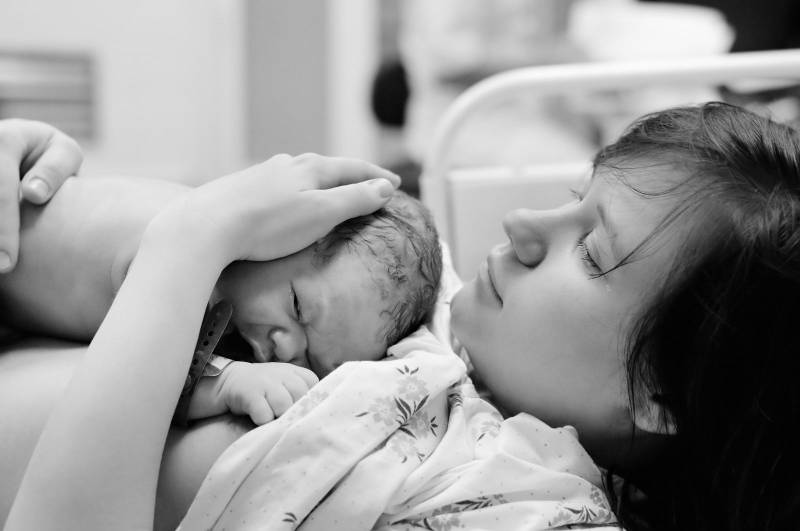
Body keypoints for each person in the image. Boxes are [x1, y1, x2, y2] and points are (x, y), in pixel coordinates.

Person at [2, 101, 799, 531]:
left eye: (591, 251)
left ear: (662, 392)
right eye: (570, 197)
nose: (522, 224)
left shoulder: (524, 509)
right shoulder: (436, 294)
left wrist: (189, 241)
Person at [0, 170, 441, 426]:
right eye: (298, 308)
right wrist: (227, 381)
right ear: (285, 229)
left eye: (313, 360)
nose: (287, 348)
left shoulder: (231, 297)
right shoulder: (175, 242)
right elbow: (143, 372)